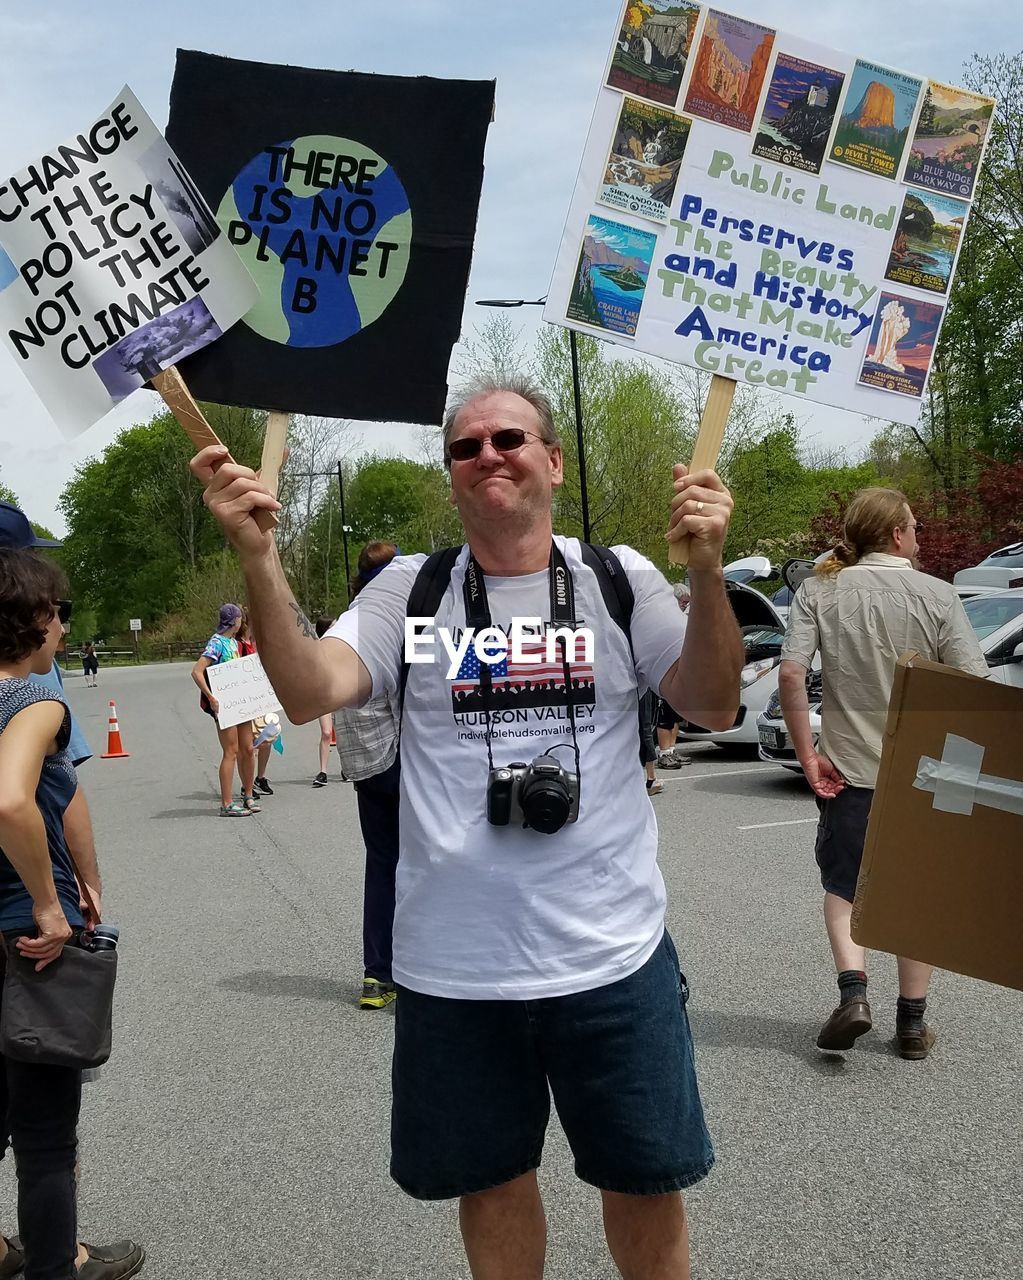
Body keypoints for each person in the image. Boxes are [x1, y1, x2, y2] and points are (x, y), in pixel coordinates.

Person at [191, 373, 743, 1279]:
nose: (488, 454)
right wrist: (260, 559)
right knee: (490, 1184)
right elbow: (304, 692)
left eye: (510, 439)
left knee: (646, 1183)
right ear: (449, 475)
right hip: (455, 968)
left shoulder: (617, 578)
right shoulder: (412, 589)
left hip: (612, 954)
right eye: (466, 446)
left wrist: (707, 570)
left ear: (553, 462)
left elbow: (714, 703)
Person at [778, 487, 989, 1061]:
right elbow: (975, 688)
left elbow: (792, 675)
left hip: (850, 770)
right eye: (915, 527)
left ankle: (854, 993)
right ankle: (913, 1025)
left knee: (845, 887)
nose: (919, 536)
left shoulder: (819, 591)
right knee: (914, 895)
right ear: (897, 535)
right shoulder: (940, 596)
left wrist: (808, 754)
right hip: (927, 774)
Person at [0, 549, 145, 1280]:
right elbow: (10, 799)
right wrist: (50, 905)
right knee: (46, 1135)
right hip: (23, 934)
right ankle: (57, 1268)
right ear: (33, 619)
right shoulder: (33, 701)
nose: (63, 626)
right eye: (59, 612)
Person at [330, 543, 402, 1009]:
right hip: (399, 761)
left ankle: (377, 975)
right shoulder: (393, 621)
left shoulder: (344, 624)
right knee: (428, 862)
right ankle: (425, 968)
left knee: (382, 864)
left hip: (363, 764)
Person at [190, 604, 261, 817]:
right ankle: (227, 803)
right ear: (234, 620)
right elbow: (197, 671)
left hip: (241, 702)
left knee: (248, 748)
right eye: (240, 618)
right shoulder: (217, 642)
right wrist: (211, 696)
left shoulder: (234, 642)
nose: (241, 621)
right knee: (231, 751)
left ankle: (248, 794)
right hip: (225, 705)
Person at [236, 609, 274, 796]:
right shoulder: (238, 645)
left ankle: (260, 777)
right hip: (245, 698)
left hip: (261, 696)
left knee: (268, 737)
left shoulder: (256, 643)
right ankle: (247, 783)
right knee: (249, 745)